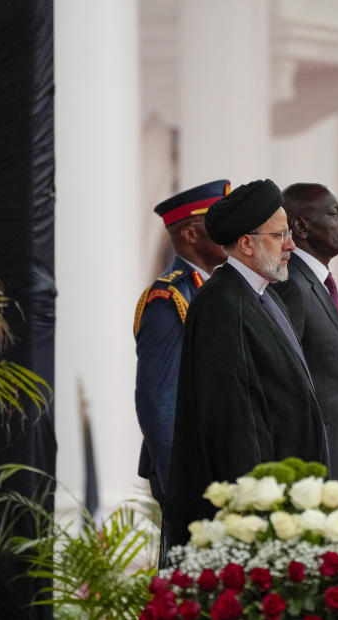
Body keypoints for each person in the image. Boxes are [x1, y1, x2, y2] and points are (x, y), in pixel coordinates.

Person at [163, 179, 328, 550]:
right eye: (280, 234)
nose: (291, 245)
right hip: (254, 517)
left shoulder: (262, 296)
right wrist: (260, 515)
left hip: (285, 499)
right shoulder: (223, 305)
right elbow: (235, 422)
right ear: (247, 243)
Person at [133, 179, 229, 507]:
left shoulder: (215, 289)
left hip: (218, 462)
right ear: (189, 235)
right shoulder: (169, 297)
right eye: (218, 223)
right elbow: (157, 398)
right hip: (191, 469)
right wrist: (180, 479)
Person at [271, 183, 338, 481]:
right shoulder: (291, 285)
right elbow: (282, 385)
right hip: (311, 465)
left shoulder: (319, 284)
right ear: (300, 226)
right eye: (335, 214)